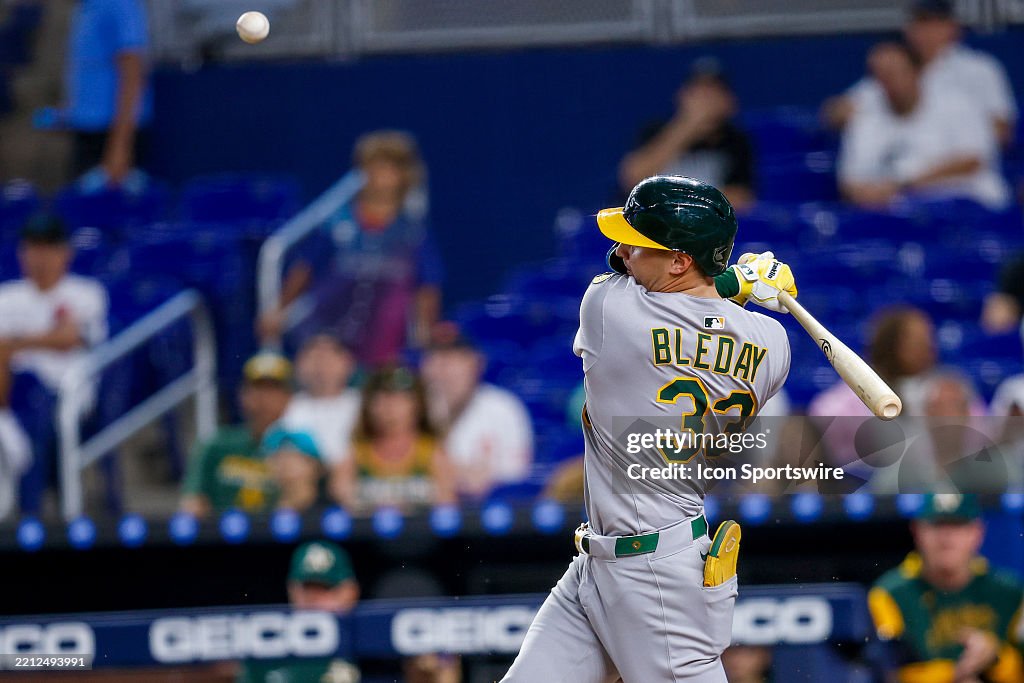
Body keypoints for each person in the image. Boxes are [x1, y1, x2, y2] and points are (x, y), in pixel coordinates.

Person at [502, 175, 795, 682]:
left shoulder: (608, 311)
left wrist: (737, 282)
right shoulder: (774, 344)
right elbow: (703, 319)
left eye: (641, 245)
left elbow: (631, 285)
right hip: (604, 562)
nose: (623, 249)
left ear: (680, 260)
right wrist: (736, 286)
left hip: (658, 577)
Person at [258, 131, 443, 365]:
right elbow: (304, 269)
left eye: (390, 169)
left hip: (385, 341)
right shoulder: (336, 221)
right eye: (374, 168)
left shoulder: (413, 230)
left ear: (404, 175)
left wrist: (426, 335)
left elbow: (427, 287)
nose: (381, 177)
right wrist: (279, 311)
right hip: (327, 333)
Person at [0, 214, 108, 514]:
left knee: (37, 408)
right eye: (33, 248)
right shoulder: (6, 297)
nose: (39, 257)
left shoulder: (86, 292)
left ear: (65, 252)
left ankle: (30, 515)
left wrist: (14, 342)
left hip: (66, 393)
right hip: (10, 395)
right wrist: (44, 339)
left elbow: (71, 338)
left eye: (48, 247)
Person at [868, 493, 1024, 683]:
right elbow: (887, 674)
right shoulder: (890, 594)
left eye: (957, 525)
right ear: (917, 531)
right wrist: (956, 674)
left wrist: (994, 657)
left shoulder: (1010, 591)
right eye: (937, 525)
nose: (946, 537)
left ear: (977, 532)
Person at [837, 41, 1009, 210]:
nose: (888, 82)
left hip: (967, 209)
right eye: (880, 75)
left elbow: (971, 161)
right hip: (897, 215)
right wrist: (866, 194)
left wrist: (903, 185)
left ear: (917, 72)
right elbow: (850, 181)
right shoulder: (865, 118)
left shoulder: (957, 104)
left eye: (894, 73)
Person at [823, 0, 1016, 147]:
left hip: (958, 169)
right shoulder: (896, 69)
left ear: (953, 27)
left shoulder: (979, 69)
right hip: (904, 163)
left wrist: (945, 139)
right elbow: (837, 111)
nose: (924, 31)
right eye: (919, 22)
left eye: (933, 22)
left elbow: (1001, 130)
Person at [180, 352, 322, 517]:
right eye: (257, 388)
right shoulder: (216, 444)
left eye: (273, 390)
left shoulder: (301, 446)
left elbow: (311, 501)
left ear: (288, 397)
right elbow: (192, 503)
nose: (264, 398)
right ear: (243, 395)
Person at [618, 58, 755, 212]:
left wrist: (675, 201)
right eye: (699, 92)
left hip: (706, 228)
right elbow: (632, 177)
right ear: (682, 96)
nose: (705, 101)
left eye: (712, 92)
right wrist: (688, 127)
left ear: (728, 101)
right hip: (654, 223)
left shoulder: (736, 142)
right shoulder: (657, 131)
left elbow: (742, 200)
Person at [421, 323, 533, 498]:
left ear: (476, 363)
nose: (442, 369)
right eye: (435, 358)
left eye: (452, 359)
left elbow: (516, 478)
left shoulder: (504, 408)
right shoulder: (414, 409)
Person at [50, 0, 152, 183]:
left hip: (111, 134)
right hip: (84, 131)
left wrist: (120, 147)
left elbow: (133, 74)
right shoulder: (83, 8)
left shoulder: (121, 4)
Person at [330, 365, 456, 512]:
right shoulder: (357, 455)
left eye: (399, 399)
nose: (390, 407)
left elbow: (446, 502)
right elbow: (342, 495)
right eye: (381, 399)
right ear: (369, 406)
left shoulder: (432, 454)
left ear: (417, 406)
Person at [237, 540, 361, 683]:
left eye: (325, 589)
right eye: (307, 589)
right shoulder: (266, 647)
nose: (314, 599)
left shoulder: (371, 640)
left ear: (351, 592)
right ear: (292, 590)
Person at [281, 334, 361, 466]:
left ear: (348, 362)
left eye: (328, 357)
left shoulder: (360, 402)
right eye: (314, 357)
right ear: (299, 365)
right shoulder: (289, 404)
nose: (321, 365)